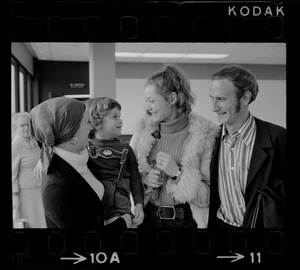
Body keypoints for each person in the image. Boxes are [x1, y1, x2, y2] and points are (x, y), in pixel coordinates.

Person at [130, 64, 220, 228]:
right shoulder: (142, 133)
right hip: (148, 220)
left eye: (152, 101)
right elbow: (130, 179)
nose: (146, 108)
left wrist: (177, 174)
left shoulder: (203, 136)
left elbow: (209, 197)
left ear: (172, 99)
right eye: (145, 101)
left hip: (187, 221)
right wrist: (145, 180)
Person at [208, 64, 286, 229]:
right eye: (212, 98)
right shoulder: (210, 139)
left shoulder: (278, 138)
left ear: (245, 98)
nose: (213, 107)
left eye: (221, 99)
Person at [30, 96, 122, 229]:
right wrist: (122, 223)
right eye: (86, 122)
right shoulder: (56, 190)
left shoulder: (81, 158)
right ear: (72, 134)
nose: (91, 126)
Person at [85, 97, 144, 229]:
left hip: (119, 207)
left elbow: (135, 178)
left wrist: (139, 204)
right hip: (93, 205)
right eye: (114, 116)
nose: (120, 120)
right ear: (97, 122)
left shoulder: (126, 149)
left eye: (120, 116)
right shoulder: (85, 148)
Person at [12, 112, 46, 228]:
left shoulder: (33, 141)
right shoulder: (15, 146)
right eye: (22, 125)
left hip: (39, 189)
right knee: (33, 223)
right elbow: (12, 175)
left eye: (28, 124)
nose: (26, 128)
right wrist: (15, 198)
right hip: (25, 193)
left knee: (42, 222)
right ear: (15, 127)